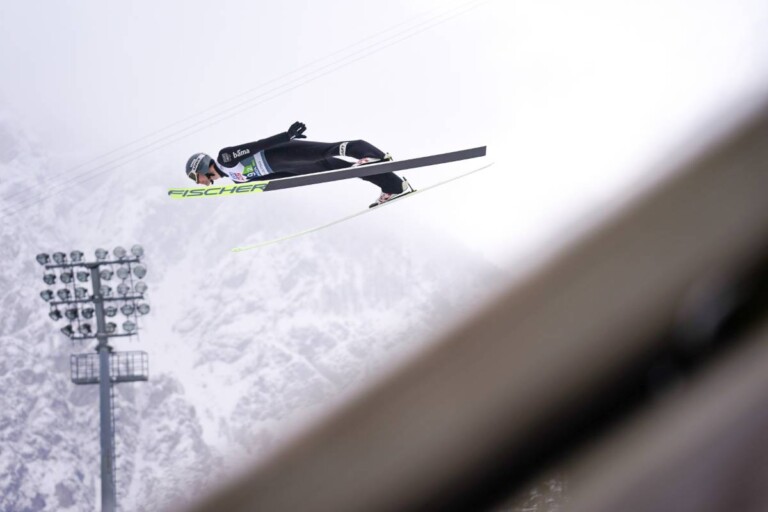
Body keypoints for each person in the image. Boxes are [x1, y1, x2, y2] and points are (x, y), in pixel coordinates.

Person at [185, 122, 413, 208]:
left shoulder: (225, 158)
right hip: (288, 167)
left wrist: (286, 136)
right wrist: (294, 178)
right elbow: (271, 178)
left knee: (328, 149)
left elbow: (256, 145)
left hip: (282, 152)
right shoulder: (235, 179)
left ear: (202, 167)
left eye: (198, 178)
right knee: (344, 172)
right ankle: (395, 186)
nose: (202, 183)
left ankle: (372, 154)